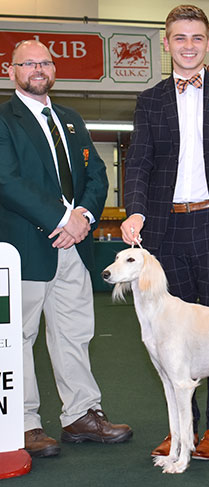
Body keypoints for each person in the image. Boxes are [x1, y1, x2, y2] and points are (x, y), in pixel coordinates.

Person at [120, 5, 209, 460]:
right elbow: (139, 162)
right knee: (172, 340)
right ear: (166, 43)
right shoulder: (150, 100)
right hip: (163, 232)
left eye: (196, 37)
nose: (188, 45)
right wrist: (136, 212)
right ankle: (183, 431)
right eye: (179, 37)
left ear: (208, 42)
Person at [0, 40, 132, 458]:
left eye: (45, 62)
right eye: (29, 63)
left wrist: (84, 219)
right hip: (24, 247)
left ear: (53, 69)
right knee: (18, 337)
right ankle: (23, 423)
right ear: (12, 71)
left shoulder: (71, 119)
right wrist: (61, 219)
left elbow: (96, 174)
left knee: (75, 333)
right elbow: (7, 180)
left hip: (73, 247)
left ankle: (80, 415)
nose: (38, 69)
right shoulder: (4, 119)